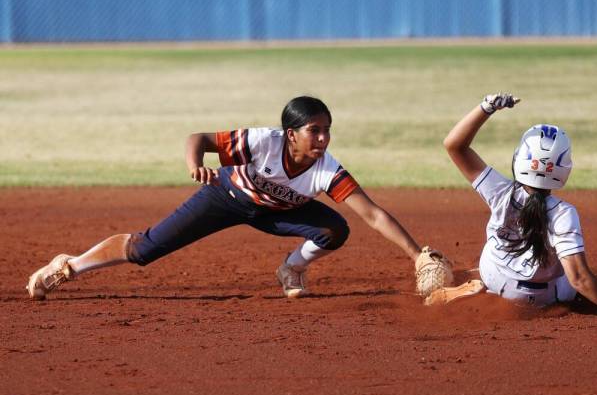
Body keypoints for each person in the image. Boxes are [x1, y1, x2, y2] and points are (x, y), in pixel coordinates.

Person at [27, 96, 426, 300]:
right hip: (225, 195)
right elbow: (197, 139)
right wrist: (193, 164)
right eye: (314, 130)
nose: (322, 138)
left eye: (326, 130)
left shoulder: (326, 168)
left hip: (273, 212)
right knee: (146, 249)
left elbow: (372, 215)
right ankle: (69, 266)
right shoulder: (263, 141)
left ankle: (291, 270)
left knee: (334, 228)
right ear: (291, 133)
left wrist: (417, 255)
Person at [424, 93, 597, 324]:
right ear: (564, 169)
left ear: (518, 160)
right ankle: (491, 287)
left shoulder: (500, 191)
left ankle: (483, 286)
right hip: (548, 297)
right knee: (567, 273)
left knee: (494, 252)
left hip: (498, 278)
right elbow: (579, 279)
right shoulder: (564, 213)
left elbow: (454, 145)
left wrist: (487, 107)